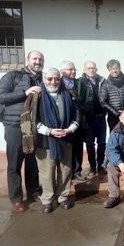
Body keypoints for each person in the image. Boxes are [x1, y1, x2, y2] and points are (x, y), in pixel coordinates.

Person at [0, 50, 43, 212]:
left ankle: (34, 191)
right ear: (27, 60)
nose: (37, 62)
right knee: (15, 163)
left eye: (40, 59)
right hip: (15, 126)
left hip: (33, 127)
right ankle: (16, 198)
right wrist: (25, 92)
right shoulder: (13, 76)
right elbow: (1, 97)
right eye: (35, 59)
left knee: (32, 162)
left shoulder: (43, 79)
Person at [34, 67, 80, 213]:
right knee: (47, 172)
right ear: (44, 79)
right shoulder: (37, 97)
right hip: (45, 140)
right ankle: (47, 199)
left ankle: (63, 196)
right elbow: (32, 119)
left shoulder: (68, 94)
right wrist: (50, 131)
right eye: (49, 79)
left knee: (65, 169)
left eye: (56, 78)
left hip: (66, 138)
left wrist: (70, 129)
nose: (53, 82)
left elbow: (77, 114)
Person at [60, 60, 92, 181]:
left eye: (74, 69)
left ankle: (77, 171)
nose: (73, 71)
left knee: (78, 146)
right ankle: (66, 173)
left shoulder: (80, 83)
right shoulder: (58, 83)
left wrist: (81, 110)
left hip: (79, 120)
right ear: (62, 71)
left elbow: (89, 99)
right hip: (64, 121)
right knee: (66, 148)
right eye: (70, 69)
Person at [81, 61, 107, 177]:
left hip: (101, 117)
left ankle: (100, 165)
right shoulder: (80, 82)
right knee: (90, 144)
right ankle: (92, 166)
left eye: (93, 68)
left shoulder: (102, 80)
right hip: (88, 119)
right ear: (84, 69)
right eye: (89, 68)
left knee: (102, 143)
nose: (92, 70)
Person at [100, 59, 124, 131]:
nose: (114, 71)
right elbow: (103, 101)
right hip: (114, 117)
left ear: (120, 68)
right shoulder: (105, 85)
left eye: (116, 68)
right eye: (111, 69)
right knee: (116, 138)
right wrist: (116, 112)